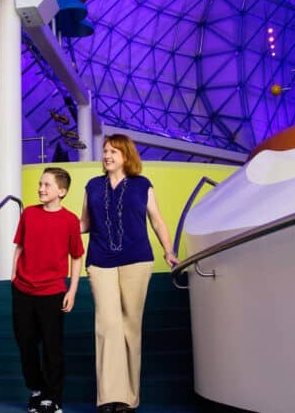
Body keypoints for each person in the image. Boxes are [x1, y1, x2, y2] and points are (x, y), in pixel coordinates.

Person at [80, 134, 177, 413]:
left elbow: (157, 220)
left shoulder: (142, 185)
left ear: (126, 156)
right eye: (105, 151)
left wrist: (168, 250)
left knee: (130, 327)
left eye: (114, 151)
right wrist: (55, 227)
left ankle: (129, 398)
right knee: (108, 325)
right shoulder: (93, 186)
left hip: (137, 260)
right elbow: (84, 223)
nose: (107, 155)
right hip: (100, 261)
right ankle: (109, 396)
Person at [12, 167, 84, 413]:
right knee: (25, 342)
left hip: (52, 292)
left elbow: (76, 257)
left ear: (61, 191)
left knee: (53, 346)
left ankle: (53, 397)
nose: (41, 189)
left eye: (47, 185)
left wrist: (72, 290)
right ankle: (37, 389)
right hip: (22, 289)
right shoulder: (29, 213)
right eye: (41, 184)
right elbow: (20, 246)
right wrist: (13, 275)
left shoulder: (71, 221)